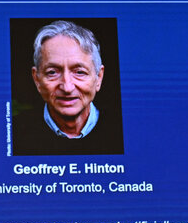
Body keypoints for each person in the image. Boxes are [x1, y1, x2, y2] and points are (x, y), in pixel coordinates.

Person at [12, 20, 123, 155]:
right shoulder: (14, 134)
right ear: (37, 79)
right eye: (52, 72)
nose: (67, 87)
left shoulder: (124, 130)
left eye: (79, 72)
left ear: (98, 77)